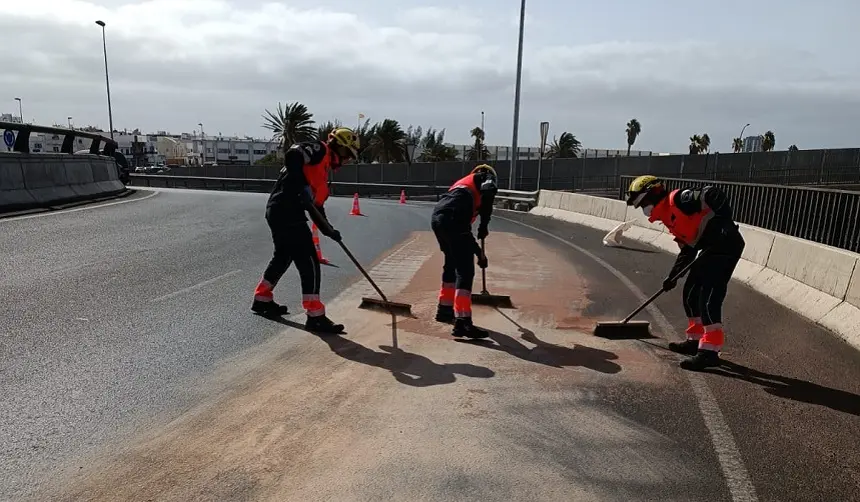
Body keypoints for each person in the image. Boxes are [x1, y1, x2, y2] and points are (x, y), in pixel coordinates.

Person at [625, 175, 745, 370]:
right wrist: (672, 276)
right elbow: (688, 251)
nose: (645, 210)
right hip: (708, 249)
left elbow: (713, 194)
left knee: (708, 298)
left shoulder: (681, 199)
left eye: (644, 203)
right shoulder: (670, 218)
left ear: (655, 193)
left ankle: (709, 352)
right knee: (690, 293)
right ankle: (695, 341)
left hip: (725, 246)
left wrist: (723, 224)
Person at [251, 127, 360, 334]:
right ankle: (315, 316)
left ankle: (262, 298)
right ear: (339, 147)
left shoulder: (322, 173)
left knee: (283, 256)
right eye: (347, 155)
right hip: (285, 209)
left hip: (284, 212)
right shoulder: (319, 150)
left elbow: (317, 208)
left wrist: (330, 231)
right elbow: (293, 153)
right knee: (309, 261)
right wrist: (300, 183)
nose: (346, 161)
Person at [431, 164, 499, 339]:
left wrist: (478, 250)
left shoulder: (462, 187)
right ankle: (463, 323)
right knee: (465, 270)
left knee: (451, 263)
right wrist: (484, 226)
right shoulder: (484, 178)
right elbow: (489, 190)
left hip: (438, 218)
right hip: (453, 220)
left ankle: (444, 310)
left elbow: (464, 234)